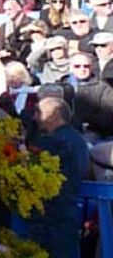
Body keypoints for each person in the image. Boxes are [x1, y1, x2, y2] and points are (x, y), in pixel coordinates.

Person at [27, 98, 89, 258]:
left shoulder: (51, 142)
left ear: (54, 115)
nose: (34, 117)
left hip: (48, 217)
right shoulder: (78, 140)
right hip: (68, 212)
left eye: (38, 112)